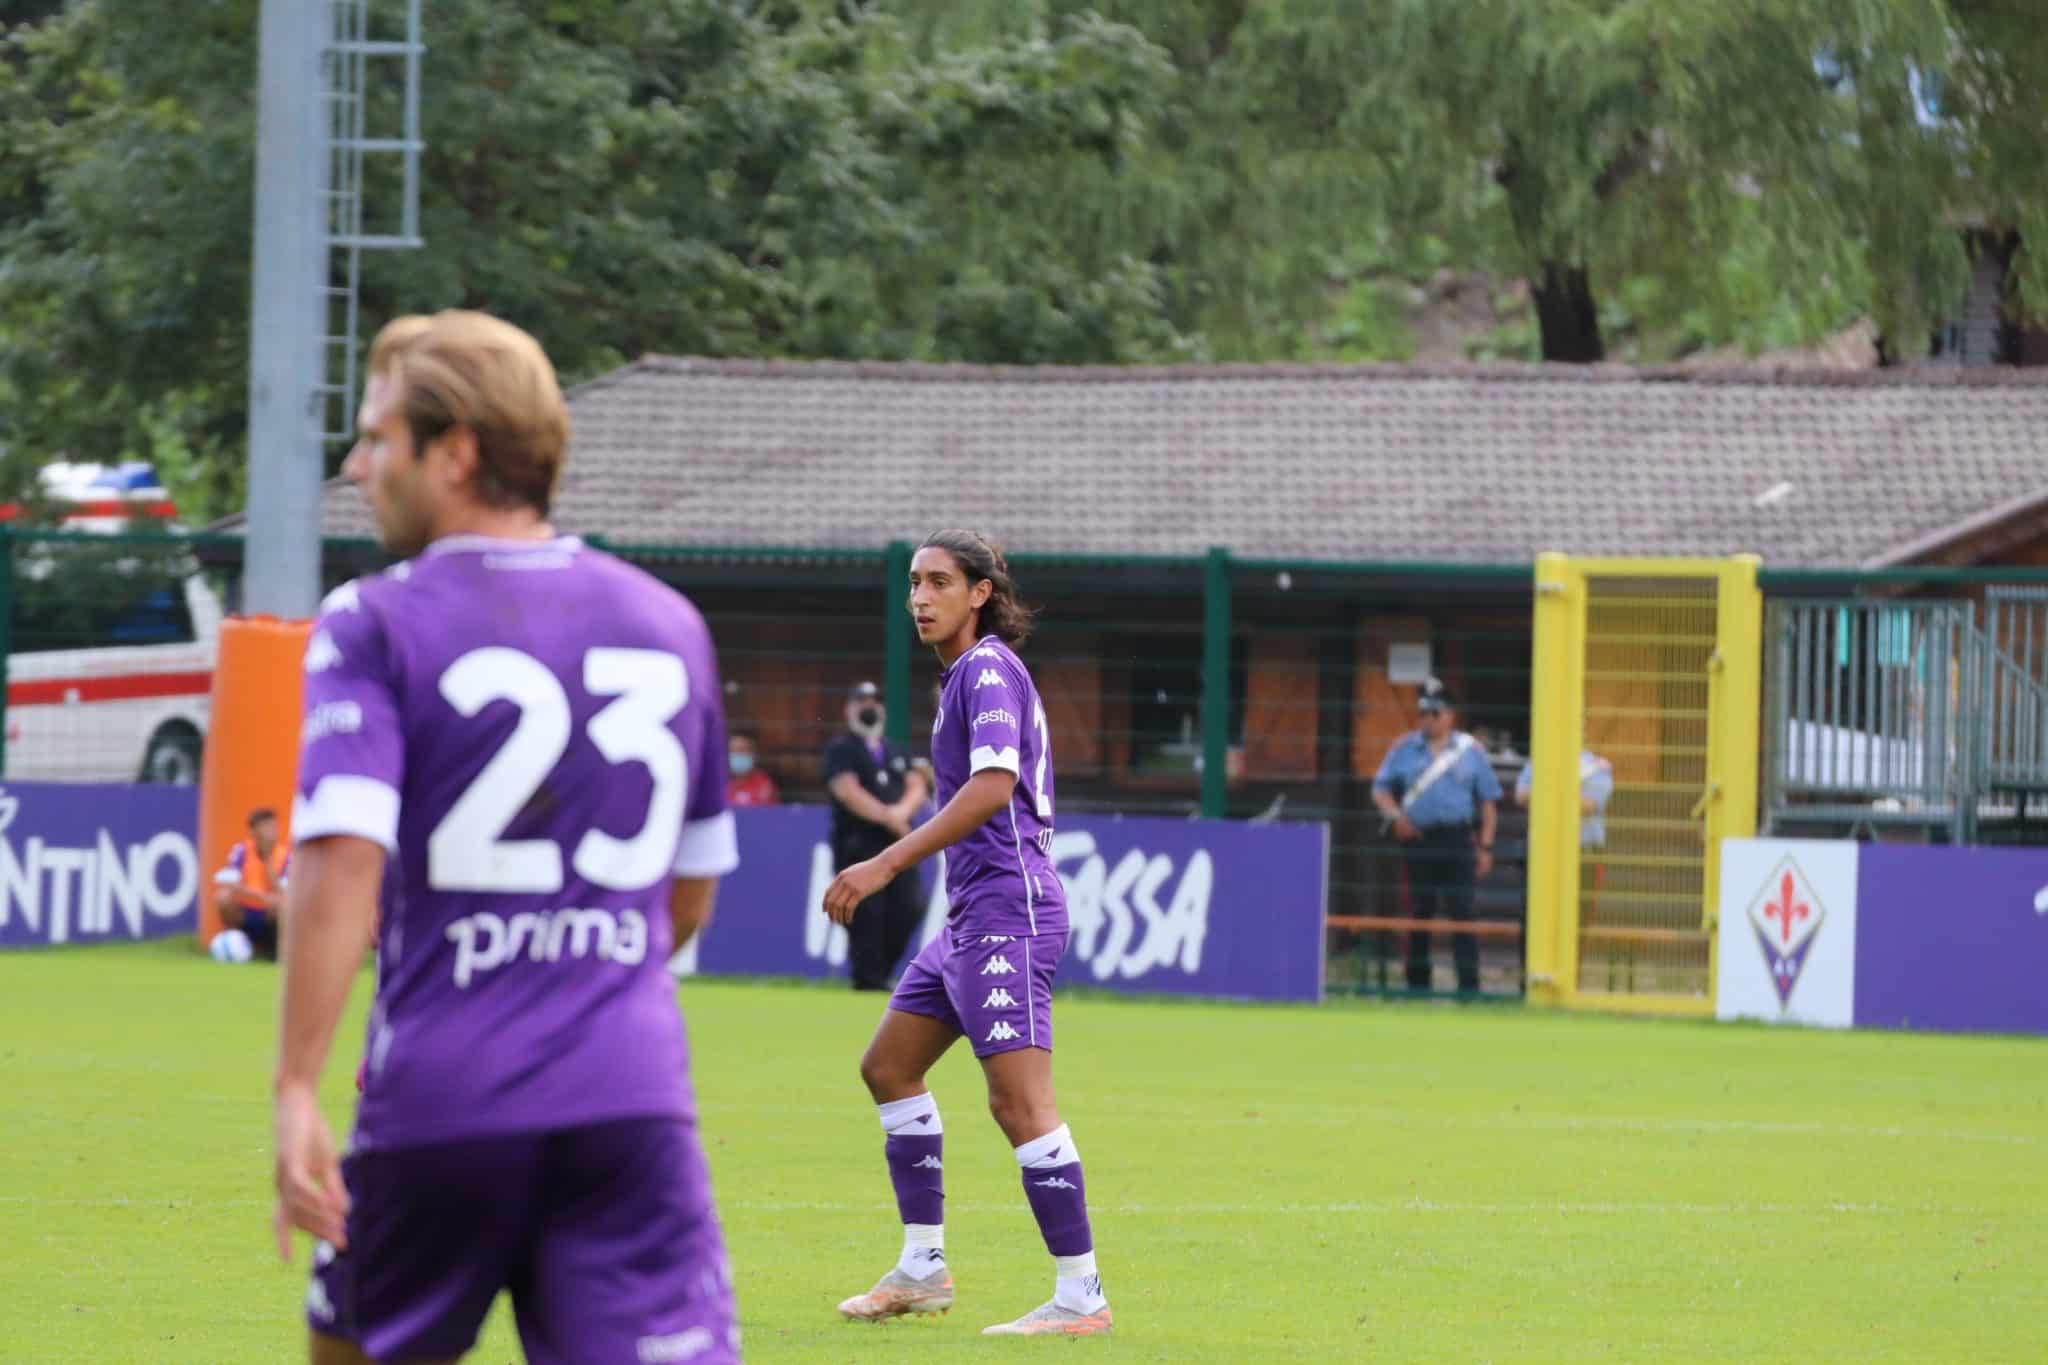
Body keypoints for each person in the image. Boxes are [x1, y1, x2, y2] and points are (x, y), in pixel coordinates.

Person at [270, 310, 741, 1365]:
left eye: (378, 438)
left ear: (456, 452)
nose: (358, 465)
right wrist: (578, 992)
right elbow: (690, 893)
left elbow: (341, 854)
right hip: (631, 1103)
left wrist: (297, 1086)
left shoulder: (372, 619)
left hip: (440, 1099)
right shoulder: (670, 623)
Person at [823, 530, 1111, 1338]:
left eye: (939, 581)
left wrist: (884, 862)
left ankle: (1082, 1294)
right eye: (914, 582)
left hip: (1007, 914)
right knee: (888, 1066)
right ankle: (922, 1269)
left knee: (1019, 1102)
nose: (920, 596)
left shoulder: (985, 669)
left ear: (980, 593)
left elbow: (993, 786)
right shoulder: (961, 679)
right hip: (969, 918)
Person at [1371, 678, 1501, 994]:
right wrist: (1396, 817)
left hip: (1458, 838)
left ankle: (1469, 987)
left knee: (1463, 912)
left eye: (1435, 713)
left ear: (1450, 715)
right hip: (1418, 839)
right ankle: (1417, 985)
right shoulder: (1403, 748)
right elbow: (1380, 789)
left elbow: (1488, 801)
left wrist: (1485, 845)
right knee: (1419, 911)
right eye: (1424, 713)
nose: (1428, 720)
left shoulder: (1471, 751)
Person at [824, 681, 930, 991]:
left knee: (910, 907)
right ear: (849, 709)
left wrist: (900, 814)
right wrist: (889, 817)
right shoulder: (842, 749)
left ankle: (880, 974)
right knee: (866, 914)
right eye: (861, 702)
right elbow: (847, 791)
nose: (869, 707)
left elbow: (916, 785)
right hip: (859, 846)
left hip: (899, 847)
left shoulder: (896, 749)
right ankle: (867, 981)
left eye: (874, 701)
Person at [1514, 746, 1615, 914]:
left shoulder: (1597, 766)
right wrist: (1568, 797)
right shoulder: (1539, 761)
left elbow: (1588, 805)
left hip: (1583, 852)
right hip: (1542, 850)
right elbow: (1521, 795)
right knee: (1534, 917)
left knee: (1577, 917)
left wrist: (1543, 794)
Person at [214, 807, 289, 960]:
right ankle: (234, 944)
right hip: (247, 909)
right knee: (223, 897)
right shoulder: (241, 851)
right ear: (253, 832)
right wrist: (262, 897)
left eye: (273, 827)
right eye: (266, 827)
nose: (271, 832)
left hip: (270, 913)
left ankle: (279, 952)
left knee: (283, 904)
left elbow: (283, 891)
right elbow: (231, 883)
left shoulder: (284, 855)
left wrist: (267, 858)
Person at [726, 732, 780, 807]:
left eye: (742, 750)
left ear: (753, 754)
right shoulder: (720, 782)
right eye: (733, 751)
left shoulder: (763, 784)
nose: (738, 754)